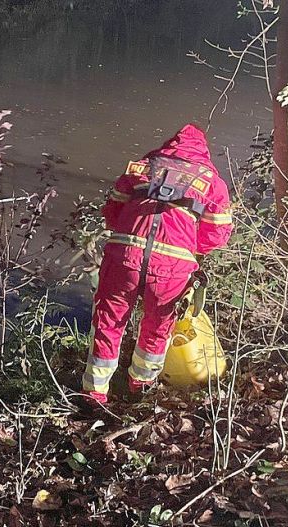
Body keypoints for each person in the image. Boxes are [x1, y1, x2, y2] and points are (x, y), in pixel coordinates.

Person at [81, 124, 233, 405]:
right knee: (157, 326)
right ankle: (140, 386)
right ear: (203, 153)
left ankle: (94, 393)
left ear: (168, 147)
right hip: (172, 265)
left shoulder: (140, 168)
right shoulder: (212, 182)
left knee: (108, 322)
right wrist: (190, 247)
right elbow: (217, 235)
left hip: (123, 256)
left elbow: (112, 213)